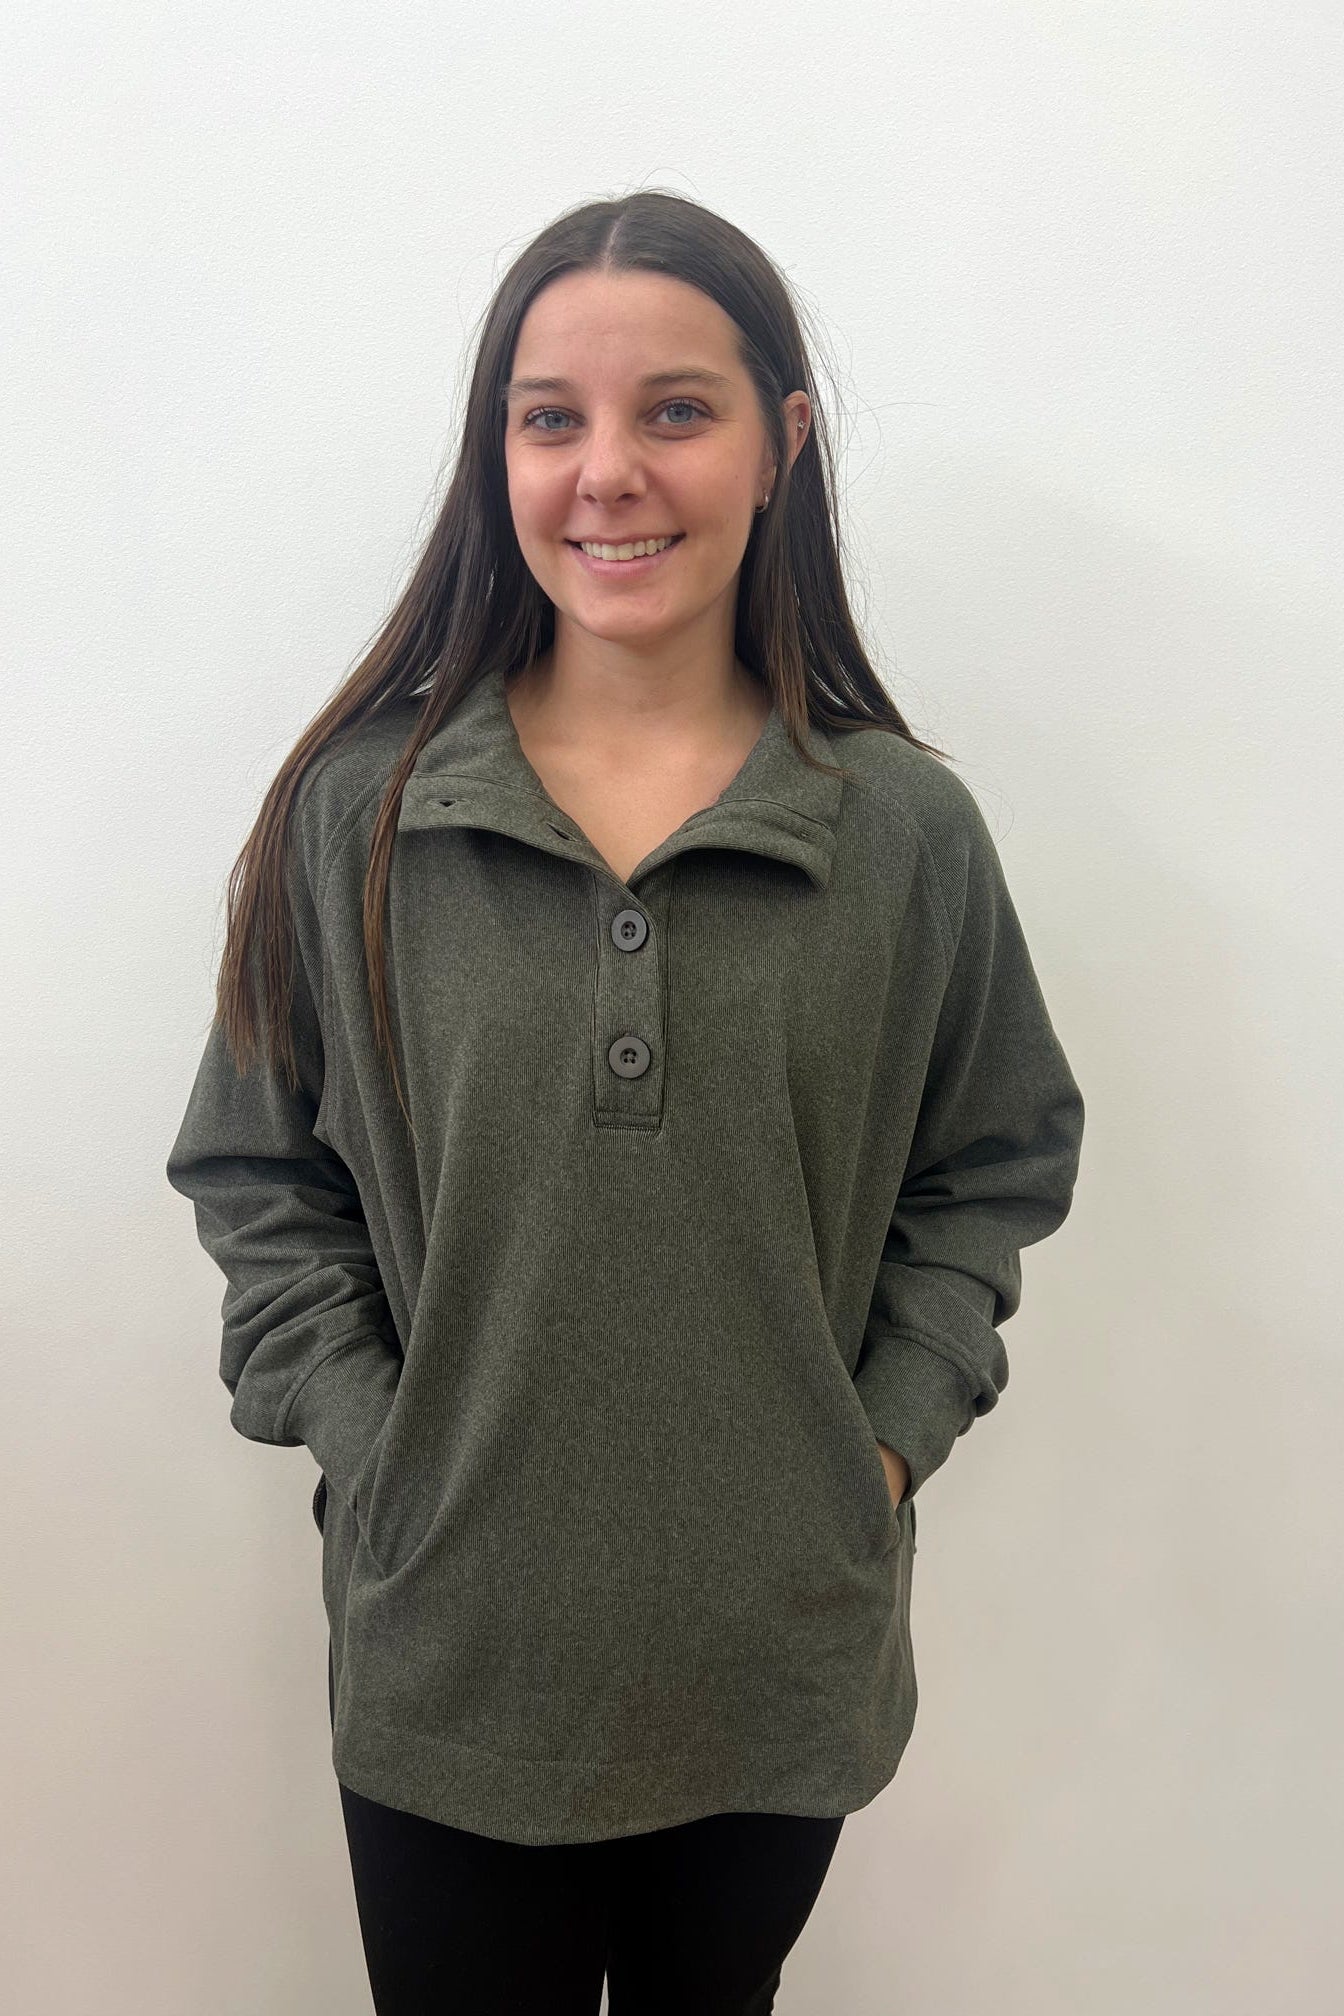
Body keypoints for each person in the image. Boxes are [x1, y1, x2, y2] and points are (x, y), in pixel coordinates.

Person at [166, 188, 1085, 2013]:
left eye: (678, 410)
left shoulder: (904, 832)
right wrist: (384, 1448)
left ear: (782, 447)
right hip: (453, 1670)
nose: (610, 471)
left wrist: (878, 1446)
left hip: (775, 1672)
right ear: (497, 451)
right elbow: (259, 1179)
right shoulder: (362, 814)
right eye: (551, 416)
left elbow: (993, 1167)